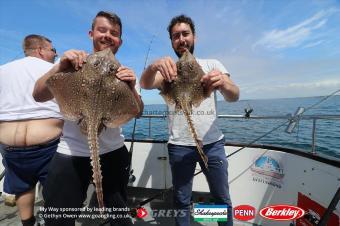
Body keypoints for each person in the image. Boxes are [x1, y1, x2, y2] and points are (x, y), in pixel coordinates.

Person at [33, 11, 143, 226]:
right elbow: (38, 94)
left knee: (119, 217)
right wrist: (60, 67)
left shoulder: (124, 74)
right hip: (70, 154)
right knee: (58, 219)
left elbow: (137, 111)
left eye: (114, 33)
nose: (107, 36)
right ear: (91, 33)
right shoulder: (74, 66)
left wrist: (131, 87)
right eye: (102, 30)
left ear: (120, 40)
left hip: (113, 153)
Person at [140, 15, 240, 226]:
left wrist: (222, 83)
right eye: (176, 36)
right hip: (179, 147)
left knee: (221, 199)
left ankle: (213, 218)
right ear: (172, 42)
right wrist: (154, 66)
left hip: (212, 144)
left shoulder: (211, 64)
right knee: (182, 200)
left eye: (185, 34)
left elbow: (234, 96)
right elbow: (145, 84)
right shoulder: (168, 70)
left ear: (194, 37)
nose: (181, 39)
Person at [0, 34, 62, 226]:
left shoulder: (3, 70)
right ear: (41, 50)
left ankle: (28, 223)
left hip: (9, 146)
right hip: (49, 145)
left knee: (23, 187)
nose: (55, 54)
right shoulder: (55, 69)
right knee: (55, 190)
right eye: (53, 50)